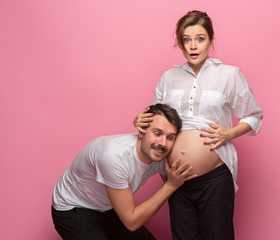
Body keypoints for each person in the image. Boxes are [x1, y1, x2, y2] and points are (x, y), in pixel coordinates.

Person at [134, 10, 264, 240]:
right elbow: (158, 122)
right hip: (175, 179)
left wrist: (229, 133)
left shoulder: (229, 74)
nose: (193, 46)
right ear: (180, 43)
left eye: (200, 39)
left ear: (211, 41)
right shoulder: (168, 77)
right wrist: (140, 122)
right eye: (187, 39)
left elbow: (254, 116)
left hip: (214, 177)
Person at [52, 103, 197, 240]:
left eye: (170, 137)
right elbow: (131, 222)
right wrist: (170, 185)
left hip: (109, 208)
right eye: (157, 133)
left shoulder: (159, 155)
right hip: (75, 209)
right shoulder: (113, 158)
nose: (163, 143)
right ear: (142, 132)